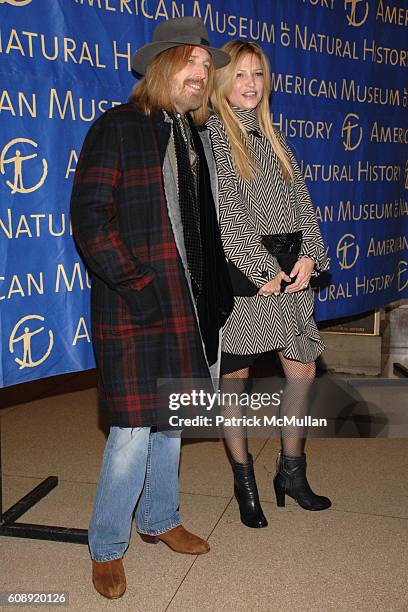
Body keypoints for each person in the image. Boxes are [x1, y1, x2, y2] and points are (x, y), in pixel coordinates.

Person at [70, 17, 233, 599]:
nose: (201, 74)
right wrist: (139, 286)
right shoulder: (117, 127)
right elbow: (90, 221)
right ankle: (107, 544)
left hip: (188, 308)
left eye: (206, 66)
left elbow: (204, 231)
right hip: (136, 306)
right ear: (162, 66)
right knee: (133, 431)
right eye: (191, 63)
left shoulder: (194, 138)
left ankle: (160, 519)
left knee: (172, 425)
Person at [206, 40, 331, 529]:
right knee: (234, 382)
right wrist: (263, 270)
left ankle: (292, 473)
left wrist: (310, 257)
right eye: (240, 75)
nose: (251, 84)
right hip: (246, 277)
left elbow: (303, 202)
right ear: (223, 81)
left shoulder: (277, 137)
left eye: (258, 74)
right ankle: (244, 481)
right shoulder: (215, 135)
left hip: (291, 273)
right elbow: (227, 217)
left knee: (302, 374)